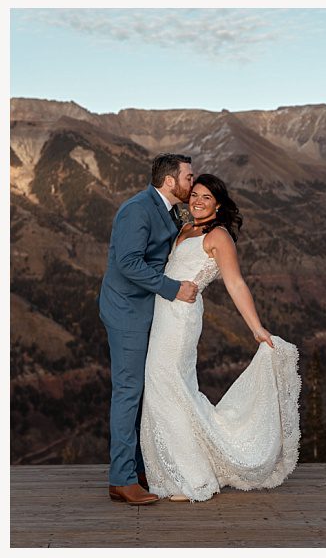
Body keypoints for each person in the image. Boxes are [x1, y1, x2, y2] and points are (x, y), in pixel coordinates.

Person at [139, 173, 300, 502]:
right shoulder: (186, 226)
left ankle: (195, 478)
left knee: (167, 386)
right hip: (162, 314)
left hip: (180, 319)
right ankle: (176, 471)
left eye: (206, 198)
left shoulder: (219, 236)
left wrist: (256, 328)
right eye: (194, 194)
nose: (197, 201)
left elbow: (236, 283)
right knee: (168, 389)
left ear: (219, 205)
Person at [100, 153, 199, 505]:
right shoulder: (137, 209)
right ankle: (121, 479)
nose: (193, 181)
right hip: (127, 311)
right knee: (128, 391)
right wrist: (173, 289)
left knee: (144, 391)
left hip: (148, 309)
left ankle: (139, 468)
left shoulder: (169, 211)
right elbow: (127, 263)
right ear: (170, 181)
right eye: (189, 176)